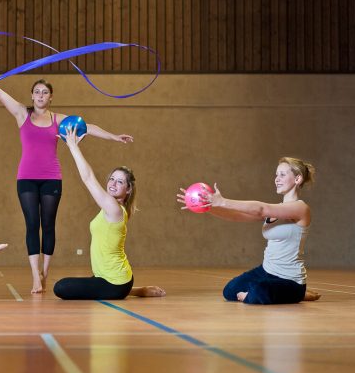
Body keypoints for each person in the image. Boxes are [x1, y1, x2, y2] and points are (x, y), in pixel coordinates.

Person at [0, 67, 133, 294]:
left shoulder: (58, 120)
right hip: (27, 179)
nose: (41, 95)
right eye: (37, 92)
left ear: (51, 97)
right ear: (32, 95)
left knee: (48, 225)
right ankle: (35, 276)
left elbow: (87, 127)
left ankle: (45, 272)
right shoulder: (22, 114)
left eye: (45, 92)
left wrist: (113, 136)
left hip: (52, 178)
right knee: (32, 225)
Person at [176, 157, 320, 304]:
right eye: (276, 175)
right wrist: (207, 206)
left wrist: (222, 201)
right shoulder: (275, 210)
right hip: (266, 271)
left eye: (282, 175)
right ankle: (281, 294)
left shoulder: (301, 209)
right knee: (230, 290)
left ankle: (297, 293)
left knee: (258, 291)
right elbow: (236, 216)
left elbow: (260, 209)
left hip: (290, 279)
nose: (277, 179)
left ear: (297, 179)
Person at [52, 126, 165, 300]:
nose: (113, 183)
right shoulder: (111, 207)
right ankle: (135, 290)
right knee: (74, 285)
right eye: (112, 178)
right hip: (111, 279)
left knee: (61, 287)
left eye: (120, 182)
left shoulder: (113, 208)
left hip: (114, 282)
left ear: (128, 190)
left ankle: (129, 290)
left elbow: (88, 178)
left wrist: (73, 146)